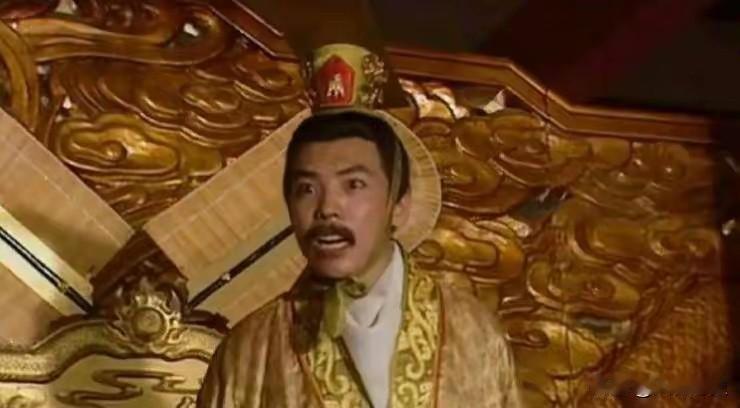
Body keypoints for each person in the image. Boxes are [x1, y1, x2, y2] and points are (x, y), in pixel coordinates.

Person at [197, 43, 522, 408]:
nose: (327, 209)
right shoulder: (249, 350)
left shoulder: (473, 333)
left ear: (399, 205)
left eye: (353, 185)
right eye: (307, 189)